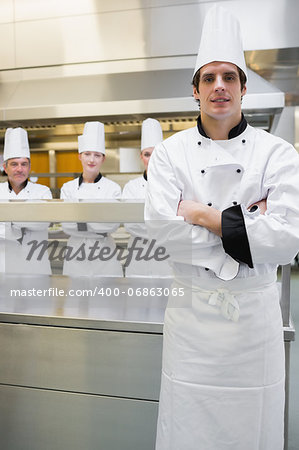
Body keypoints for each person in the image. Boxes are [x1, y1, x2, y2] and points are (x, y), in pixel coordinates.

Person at [145, 5, 299, 450]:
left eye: (229, 77)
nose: (219, 87)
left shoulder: (278, 154)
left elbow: (287, 241)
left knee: (253, 428)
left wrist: (201, 214)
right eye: (208, 78)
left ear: (243, 87)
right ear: (194, 90)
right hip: (191, 326)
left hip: (253, 327)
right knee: (187, 427)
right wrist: (249, 228)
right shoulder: (170, 155)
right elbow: (162, 232)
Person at [60, 121, 122, 277]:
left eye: (97, 155)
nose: (91, 160)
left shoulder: (113, 188)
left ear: (103, 158)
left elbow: (112, 225)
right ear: (80, 156)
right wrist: (98, 219)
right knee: (76, 298)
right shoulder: (68, 188)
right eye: (87, 154)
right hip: (76, 253)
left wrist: (81, 220)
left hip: (104, 253)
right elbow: (67, 225)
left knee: (106, 299)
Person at [122, 118, 172, 278]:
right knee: (138, 300)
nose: (152, 159)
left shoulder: (174, 185)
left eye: (156, 153)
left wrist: (146, 224)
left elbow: (175, 223)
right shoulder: (131, 187)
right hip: (138, 253)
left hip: (166, 254)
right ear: (141, 157)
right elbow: (130, 225)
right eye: (147, 154)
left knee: (165, 300)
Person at [0, 127, 52, 275]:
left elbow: (43, 222)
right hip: (3, 266)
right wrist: (28, 215)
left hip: (35, 265)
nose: (19, 169)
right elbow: (35, 221)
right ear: (5, 167)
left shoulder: (43, 191)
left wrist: (8, 219)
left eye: (24, 164)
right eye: (14, 164)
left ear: (29, 167)